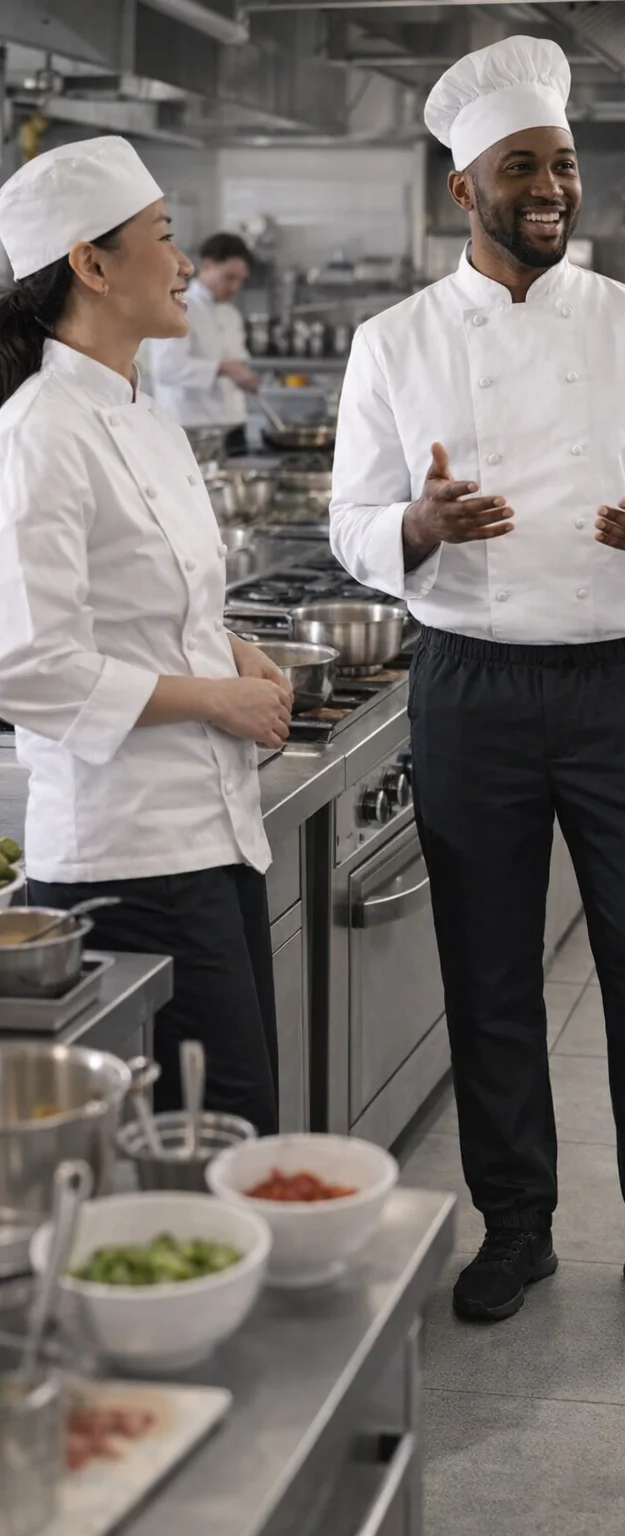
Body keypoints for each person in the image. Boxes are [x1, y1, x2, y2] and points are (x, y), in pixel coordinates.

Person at [331, 36, 625, 1331]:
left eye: (563, 165)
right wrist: (419, 527)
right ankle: (516, 1228)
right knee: (492, 974)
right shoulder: (395, 342)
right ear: (466, 189)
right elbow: (351, 519)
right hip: (472, 686)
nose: (552, 189)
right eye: (524, 168)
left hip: (620, 683)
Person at [0, 137, 293, 1134]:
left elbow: (153, 603)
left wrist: (230, 648)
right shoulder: (40, 432)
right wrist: (214, 695)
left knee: (240, 1120)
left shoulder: (147, 415)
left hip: (212, 838)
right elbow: (28, 666)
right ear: (91, 263)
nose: (181, 265)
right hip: (126, 859)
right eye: (163, 238)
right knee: (211, 1137)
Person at [149, 231, 259, 455]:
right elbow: (165, 368)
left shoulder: (231, 313)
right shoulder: (178, 307)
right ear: (207, 265)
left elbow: (235, 360)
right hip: (191, 429)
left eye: (240, 280)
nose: (235, 287)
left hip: (233, 424)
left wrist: (242, 374)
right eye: (229, 277)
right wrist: (223, 368)